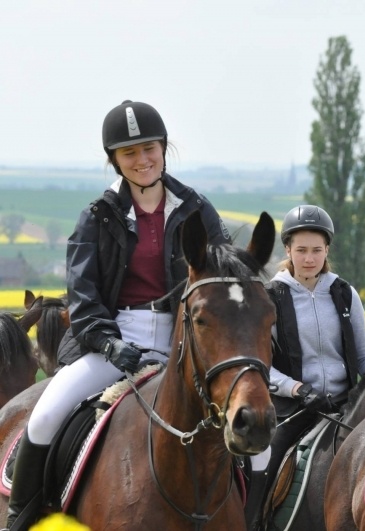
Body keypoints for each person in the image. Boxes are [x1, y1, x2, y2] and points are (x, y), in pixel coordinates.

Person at [3, 100, 231, 531]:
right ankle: (21, 519)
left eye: (149, 149)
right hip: (112, 342)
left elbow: (222, 280)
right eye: (129, 153)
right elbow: (83, 298)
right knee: (46, 414)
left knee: (255, 440)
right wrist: (110, 343)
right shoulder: (96, 217)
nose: (142, 160)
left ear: (164, 148)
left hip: (187, 341)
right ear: (115, 160)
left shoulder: (197, 209)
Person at [243, 205, 365, 530]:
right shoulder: (270, 296)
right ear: (287, 249)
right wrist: (297, 389)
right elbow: (261, 365)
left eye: (317, 250)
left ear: (327, 250)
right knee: (263, 462)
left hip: (346, 406)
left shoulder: (345, 294)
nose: (309, 258)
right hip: (292, 409)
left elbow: (364, 357)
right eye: (301, 250)